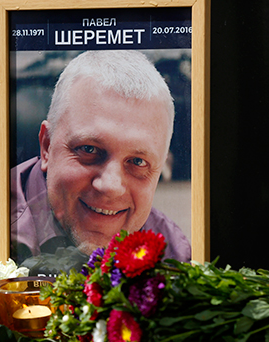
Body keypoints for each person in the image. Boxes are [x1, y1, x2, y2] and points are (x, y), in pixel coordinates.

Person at [11, 50, 191, 269]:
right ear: (47, 146)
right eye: (89, 149)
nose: (111, 186)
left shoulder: (170, 251)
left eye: (137, 162)